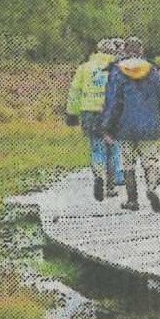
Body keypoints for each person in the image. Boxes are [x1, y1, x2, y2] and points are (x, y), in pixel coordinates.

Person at [101, 37, 160, 212]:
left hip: (125, 127)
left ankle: (132, 200)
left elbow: (113, 103)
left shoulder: (117, 72)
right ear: (141, 51)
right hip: (150, 126)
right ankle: (151, 188)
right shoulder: (153, 71)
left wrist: (107, 127)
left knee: (128, 164)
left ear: (126, 51)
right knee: (150, 161)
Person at [65, 37, 123, 202]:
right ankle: (111, 188)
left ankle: (99, 176)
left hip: (90, 112)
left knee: (97, 148)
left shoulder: (85, 68)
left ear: (97, 51)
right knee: (113, 149)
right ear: (113, 51)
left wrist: (72, 114)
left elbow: (75, 91)